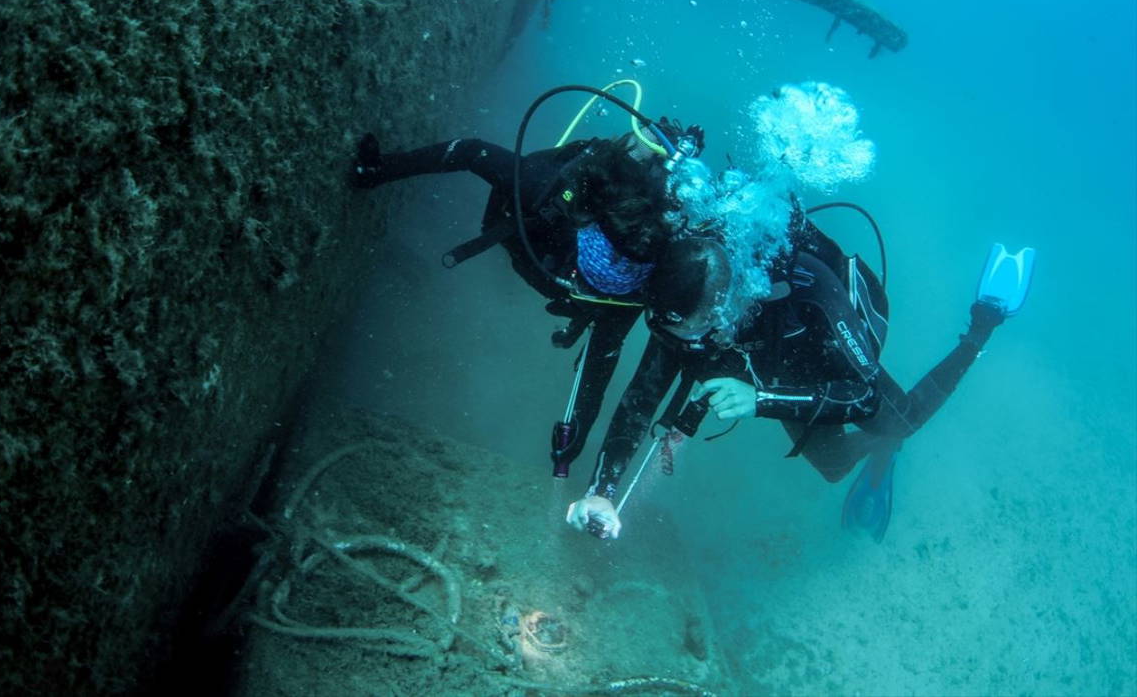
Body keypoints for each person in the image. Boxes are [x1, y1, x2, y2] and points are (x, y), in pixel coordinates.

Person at [566, 210, 1034, 542]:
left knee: (897, 424)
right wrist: (603, 491)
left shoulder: (812, 290)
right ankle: (875, 452)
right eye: (675, 331)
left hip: (824, 352)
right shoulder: (680, 302)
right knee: (832, 467)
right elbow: (641, 398)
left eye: (697, 330)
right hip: (767, 364)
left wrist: (760, 400)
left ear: (728, 302)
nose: (688, 344)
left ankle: (983, 324)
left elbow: (865, 397)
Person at [349, 128, 674, 475]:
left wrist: (571, 444)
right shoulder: (545, 190)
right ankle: (375, 172)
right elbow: (471, 152)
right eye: (608, 266)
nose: (614, 276)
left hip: (543, 257)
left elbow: (594, 380)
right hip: (524, 220)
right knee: (487, 161)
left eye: (626, 274)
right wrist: (380, 169)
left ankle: (378, 172)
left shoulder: (622, 300)